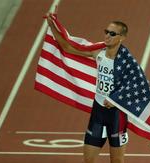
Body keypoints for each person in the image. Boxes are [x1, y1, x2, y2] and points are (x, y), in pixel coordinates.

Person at [46, 10, 129, 163]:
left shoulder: (126, 61)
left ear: (122, 38)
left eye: (112, 34)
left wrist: (116, 99)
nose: (107, 36)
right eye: (106, 32)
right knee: (88, 159)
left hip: (118, 115)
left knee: (117, 161)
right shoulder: (98, 51)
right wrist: (52, 26)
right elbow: (67, 47)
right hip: (98, 113)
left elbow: (134, 88)